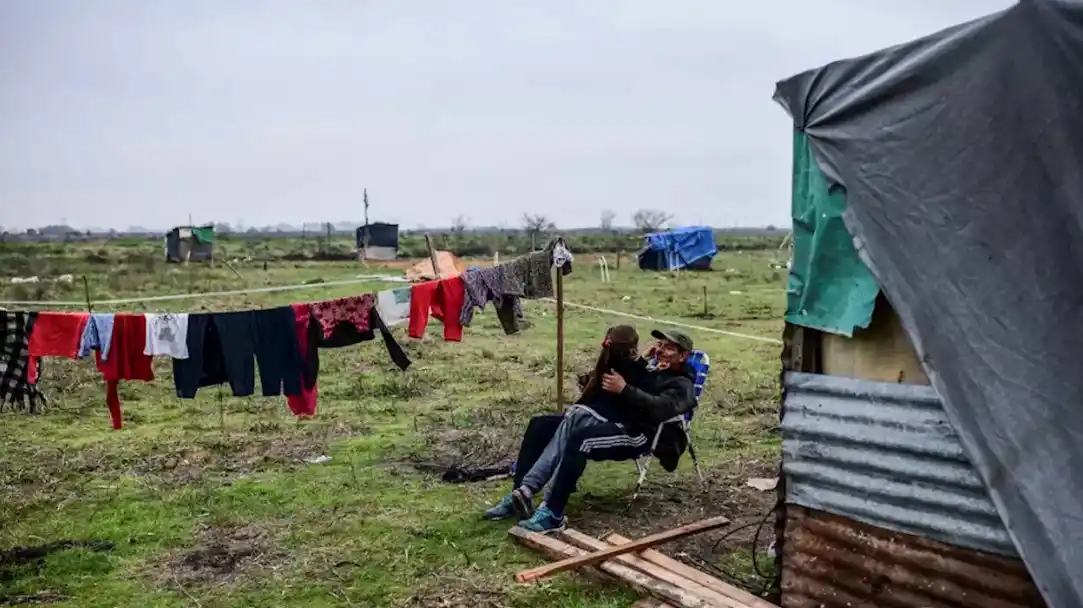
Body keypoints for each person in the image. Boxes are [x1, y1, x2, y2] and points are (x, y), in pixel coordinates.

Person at [484, 328, 698, 533]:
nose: (661, 350)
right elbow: (613, 382)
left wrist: (625, 389)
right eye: (660, 345)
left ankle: (553, 514)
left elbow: (661, 408)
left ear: (683, 356)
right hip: (617, 419)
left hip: (642, 434)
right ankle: (520, 494)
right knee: (541, 425)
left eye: (669, 348)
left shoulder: (682, 384)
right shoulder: (653, 368)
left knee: (581, 439)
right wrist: (635, 362)